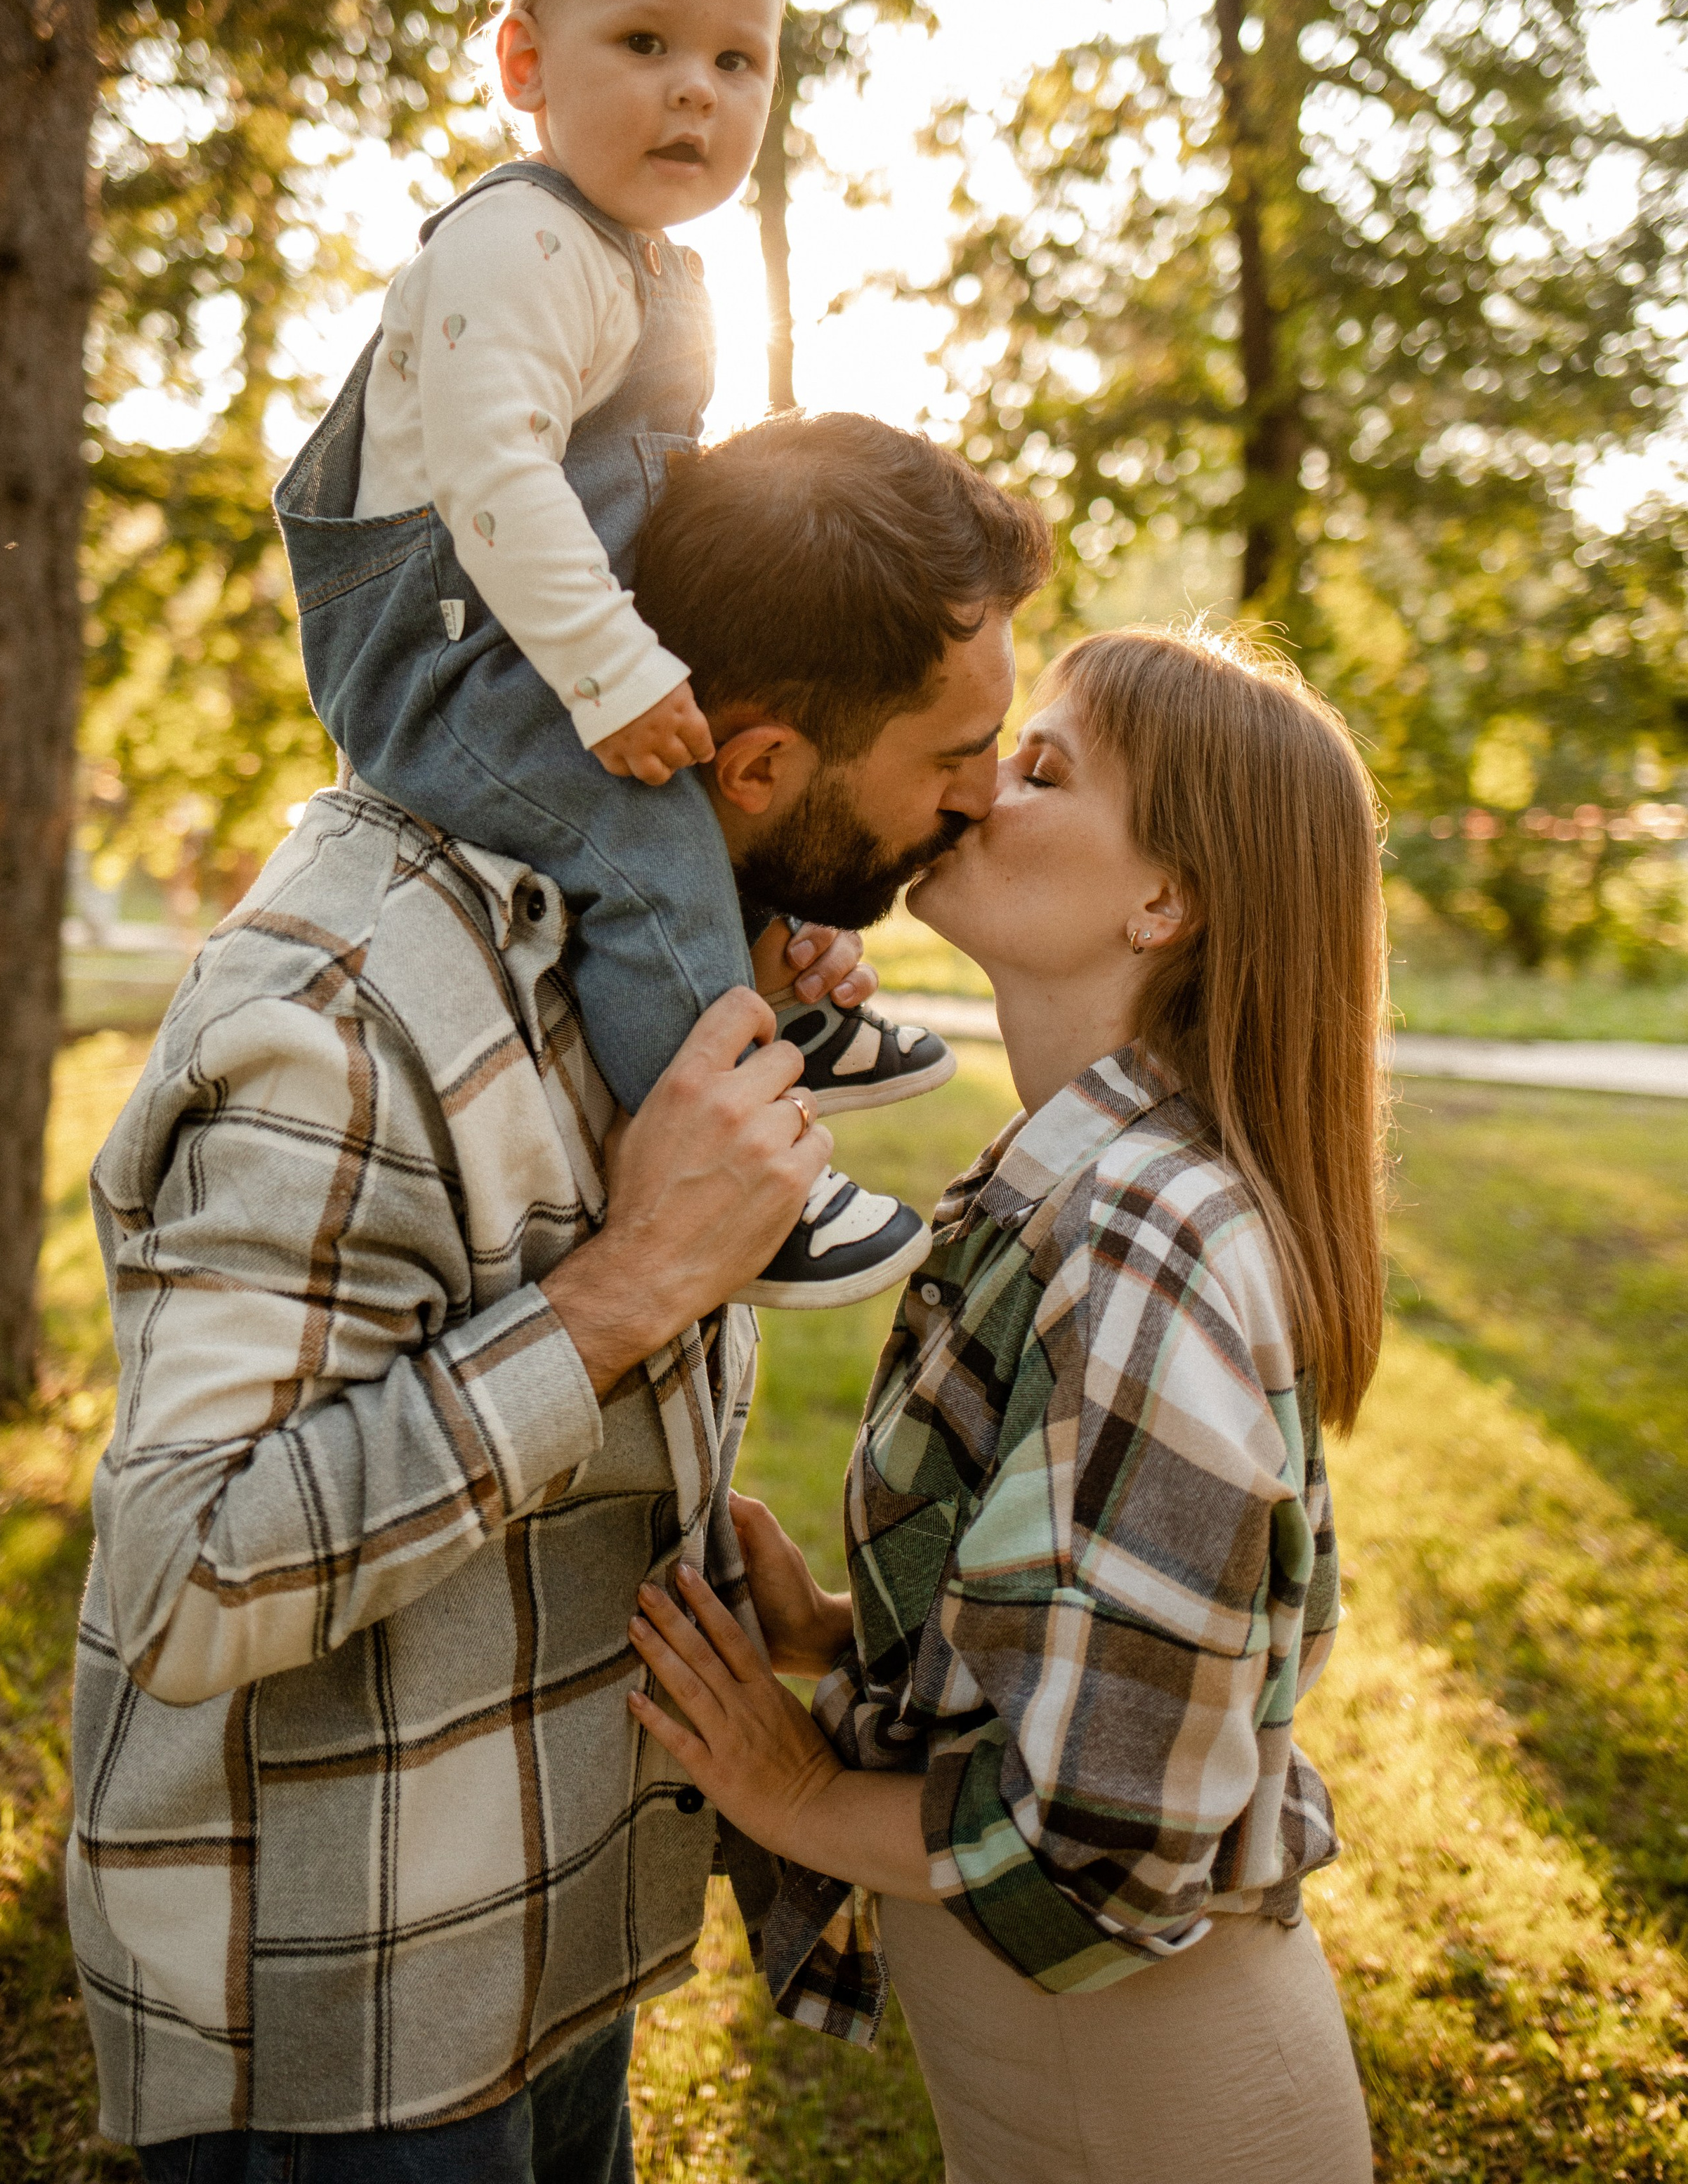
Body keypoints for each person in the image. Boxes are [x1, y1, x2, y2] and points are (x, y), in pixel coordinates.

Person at [67, 412, 1050, 2176]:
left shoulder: (635, 920)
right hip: (345, 2025)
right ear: (753, 764)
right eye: (957, 756)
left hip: (545, 1933)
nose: (982, 795)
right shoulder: (343, 1018)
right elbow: (186, 1578)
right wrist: (624, 1294)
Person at [625, 622, 1385, 2184]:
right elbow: (1106, 1643)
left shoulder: (1140, 1242)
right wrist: (847, 1636)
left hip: (1158, 2110)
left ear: (1163, 900)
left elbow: (1099, 1845)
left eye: (1038, 770)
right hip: (1067, 2098)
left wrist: (792, 1787)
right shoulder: (1069, 1185)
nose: (972, 790)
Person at [275, 0, 948, 1307]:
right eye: (643, 44)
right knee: (637, 836)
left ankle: (760, 999)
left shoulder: (642, 262)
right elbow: (497, 476)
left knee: (708, 779)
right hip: (446, 665)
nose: (692, 88)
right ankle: (750, 1181)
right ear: (525, 62)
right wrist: (616, 676)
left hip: (542, 646)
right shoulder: (517, 242)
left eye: (734, 58)